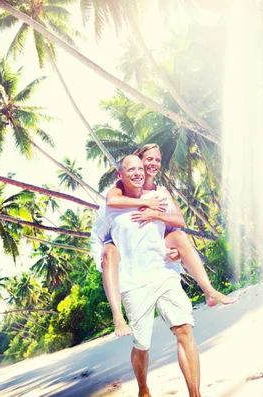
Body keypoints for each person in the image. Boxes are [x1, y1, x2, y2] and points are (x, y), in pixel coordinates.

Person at [91, 154, 202, 397]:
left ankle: (195, 394)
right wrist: (105, 261)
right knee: (142, 344)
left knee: (184, 330)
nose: (138, 173)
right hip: (133, 283)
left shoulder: (158, 198)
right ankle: (143, 389)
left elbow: (173, 228)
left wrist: (174, 253)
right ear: (120, 176)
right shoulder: (110, 207)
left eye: (140, 168)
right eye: (131, 170)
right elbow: (96, 238)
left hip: (164, 274)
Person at [99, 144, 235, 337]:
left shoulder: (161, 191)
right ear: (138, 161)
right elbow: (111, 201)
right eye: (149, 159)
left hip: (155, 241)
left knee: (179, 236)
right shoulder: (120, 188)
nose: (153, 164)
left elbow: (179, 221)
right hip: (126, 244)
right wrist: (145, 202)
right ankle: (118, 317)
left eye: (157, 160)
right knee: (110, 253)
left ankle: (209, 291)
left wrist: (156, 214)